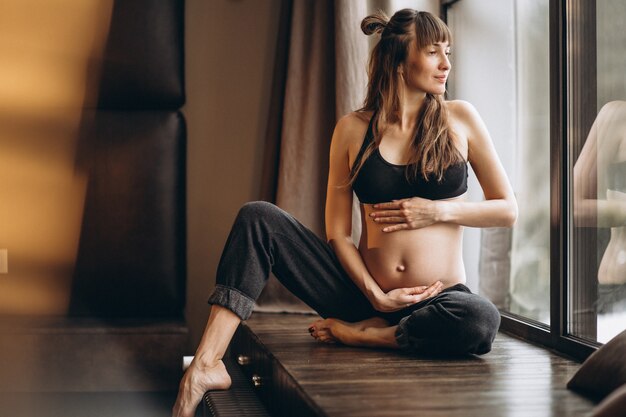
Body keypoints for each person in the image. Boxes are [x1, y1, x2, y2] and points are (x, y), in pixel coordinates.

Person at [173, 9, 517, 417]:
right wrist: (375, 294)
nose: (446, 64)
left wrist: (439, 212)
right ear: (398, 59)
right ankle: (207, 364)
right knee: (257, 217)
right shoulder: (353, 129)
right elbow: (337, 232)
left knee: (481, 320)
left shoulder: (459, 118)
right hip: (361, 292)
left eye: (448, 52)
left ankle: (369, 337)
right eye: (433, 52)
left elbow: (507, 209)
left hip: (436, 300)